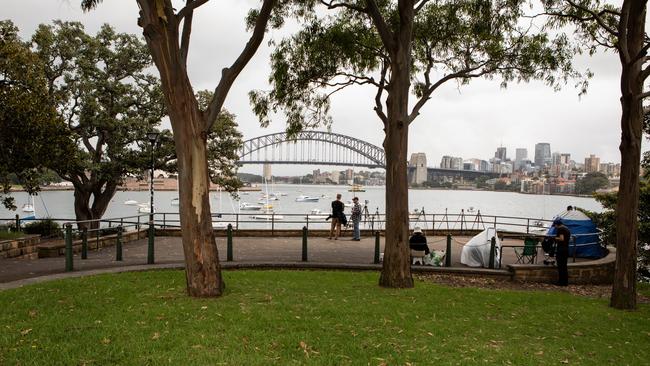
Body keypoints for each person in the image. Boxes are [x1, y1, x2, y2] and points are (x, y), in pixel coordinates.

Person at [552, 217, 571, 286]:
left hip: (561, 250)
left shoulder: (561, 229)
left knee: (561, 266)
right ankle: (565, 282)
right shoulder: (567, 228)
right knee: (564, 266)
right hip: (566, 249)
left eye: (555, 226)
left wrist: (554, 238)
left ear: (557, 224)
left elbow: (561, 238)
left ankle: (561, 282)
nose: (555, 227)